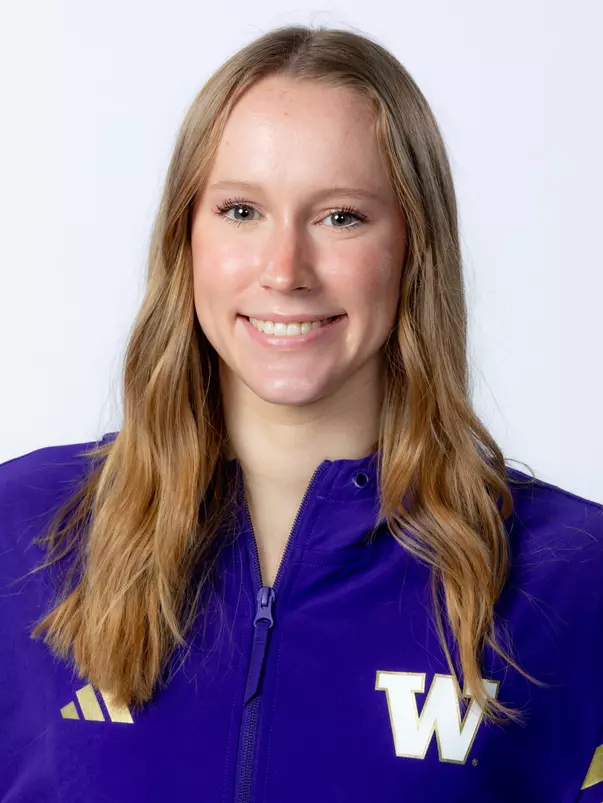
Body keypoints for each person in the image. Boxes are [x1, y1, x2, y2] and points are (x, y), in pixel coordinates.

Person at [1, 23, 602, 803]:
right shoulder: (25, 531)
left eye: (340, 217)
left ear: (413, 246)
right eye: (241, 211)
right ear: (186, 238)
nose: (284, 270)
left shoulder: (570, 575)